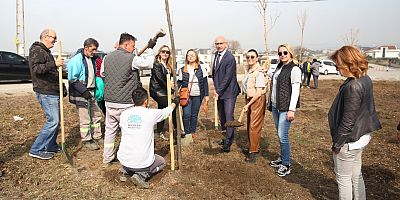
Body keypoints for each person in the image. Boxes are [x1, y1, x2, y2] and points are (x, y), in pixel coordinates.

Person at [328, 46, 381, 200]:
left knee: (343, 179)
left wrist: (337, 144)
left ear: (348, 63)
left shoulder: (353, 86)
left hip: (349, 141)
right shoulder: (364, 78)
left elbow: (347, 122)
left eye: (338, 64)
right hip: (362, 137)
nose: (336, 68)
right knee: (356, 175)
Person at [102, 33, 157, 166]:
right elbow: (149, 64)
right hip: (125, 103)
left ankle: (107, 158)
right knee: (130, 131)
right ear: (126, 45)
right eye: (133, 46)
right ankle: (129, 158)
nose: (134, 48)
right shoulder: (131, 58)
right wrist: (150, 48)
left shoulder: (107, 57)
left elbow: (103, 74)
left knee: (110, 130)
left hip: (109, 101)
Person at [118, 87, 179, 189]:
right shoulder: (150, 114)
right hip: (142, 162)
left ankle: (125, 171)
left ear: (132, 100)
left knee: (132, 158)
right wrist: (175, 103)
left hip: (124, 160)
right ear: (146, 101)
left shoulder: (124, 114)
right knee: (161, 162)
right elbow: (166, 112)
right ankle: (141, 175)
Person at [28, 28, 64, 160]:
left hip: (52, 91)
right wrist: (53, 63)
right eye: (53, 38)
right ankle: (36, 149)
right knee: (53, 121)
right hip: (46, 91)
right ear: (45, 37)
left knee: (57, 121)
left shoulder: (45, 51)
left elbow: (52, 73)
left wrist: (62, 88)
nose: (55, 41)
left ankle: (50, 145)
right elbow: (37, 69)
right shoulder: (37, 50)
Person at [267, 44, 301, 177]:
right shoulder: (279, 67)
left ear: (291, 54)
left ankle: (286, 164)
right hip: (276, 106)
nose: (282, 55)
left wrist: (291, 110)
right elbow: (274, 79)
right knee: (279, 134)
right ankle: (282, 158)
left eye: (285, 53)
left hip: (286, 108)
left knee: (283, 135)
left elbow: (296, 91)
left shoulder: (294, 70)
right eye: (280, 53)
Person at [67, 38, 103, 150]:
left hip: (92, 91)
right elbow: (73, 80)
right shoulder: (76, 60)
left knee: (96, 115)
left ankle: (97, 136)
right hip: (81, 92)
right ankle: (86, 139)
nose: (94, 52)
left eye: (95, 50)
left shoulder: (92, 59)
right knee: (85, 118)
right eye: (92, 49)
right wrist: (84, 91)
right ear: (86, 48)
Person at [212, 36, 240, 153]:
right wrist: (216, 88)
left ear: (226, 44)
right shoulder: (216, 56)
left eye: (220, 43)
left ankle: (228, 142)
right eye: (216, 44)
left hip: (229, 92)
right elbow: (214, 73)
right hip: (220, 92)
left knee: (229, 117)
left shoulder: (230, 58)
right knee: (222, 116)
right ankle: (226, 137)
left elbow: (227, 78)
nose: (218, 45)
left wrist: (218, 91)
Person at [242, 49, 267, 162]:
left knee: (254, 126)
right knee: (250, 124)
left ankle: (253, 152)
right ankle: (252, 146)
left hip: (257, 100)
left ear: (257, 58)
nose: (250, 59)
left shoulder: (259, 72)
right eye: (248, 57)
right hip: (250, 99)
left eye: (252, 57)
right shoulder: (249, 70)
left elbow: (259, 92)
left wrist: (249, 104)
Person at [177, 49, 209, 137]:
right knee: (186, 114)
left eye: (192, 55)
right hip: (186, 95)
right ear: (186, 57)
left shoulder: (201, 68)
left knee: (194, 115)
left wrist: (206, 95)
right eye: (188, 55)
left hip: (198, 95)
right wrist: (175, 90)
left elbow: (205, 82)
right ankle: (186, 132)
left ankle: (192, 132)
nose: (190, 57)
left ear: (196, 57)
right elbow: (179, 82)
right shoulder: (182, 69)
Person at [149, 45, 176, 140]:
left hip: (164, 90)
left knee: (162, 110)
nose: (165, 53)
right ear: (159, 53)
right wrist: (171, 90)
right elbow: (160, 80)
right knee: (173, 107)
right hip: (157, 91)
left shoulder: (168, 65)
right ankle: (177, 131)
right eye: (163, 51)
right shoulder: (157, 64)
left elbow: (172, 77)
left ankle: (159, 131)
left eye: (167, 52)